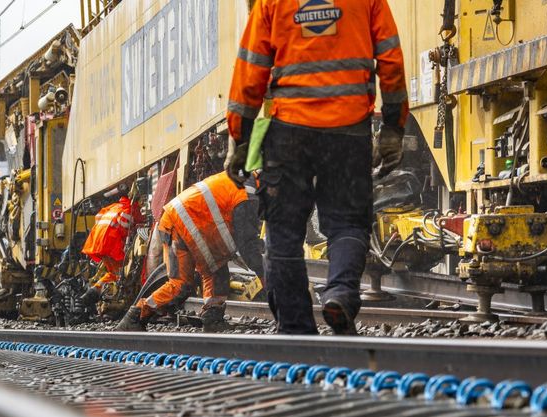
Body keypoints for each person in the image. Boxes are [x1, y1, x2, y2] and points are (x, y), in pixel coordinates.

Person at [226, 0, 408, 335]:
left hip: (287, 133)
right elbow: (391, 59)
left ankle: (296, 327)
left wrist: (241, 140)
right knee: (348, 223)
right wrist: (393, 128)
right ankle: (339, 294)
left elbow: (249, 73)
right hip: (349, 129)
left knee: (283, 232)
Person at [116, 171, 265, 333]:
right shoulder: (246, 194)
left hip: (192, 226)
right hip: (178, 226)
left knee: (217, 271)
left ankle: (212, 316)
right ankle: (136, 316)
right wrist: (267, 276)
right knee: (180, 284)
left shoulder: (245, 184)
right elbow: (248, 245)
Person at [79, 185, 133, 306]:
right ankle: (113, 298)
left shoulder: (113, 207)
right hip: (110, 246)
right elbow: (125, 226)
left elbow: (98, 217)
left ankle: (94, 290)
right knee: (120, 274)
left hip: (97, 245)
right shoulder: (128, 208)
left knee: (113, 274)